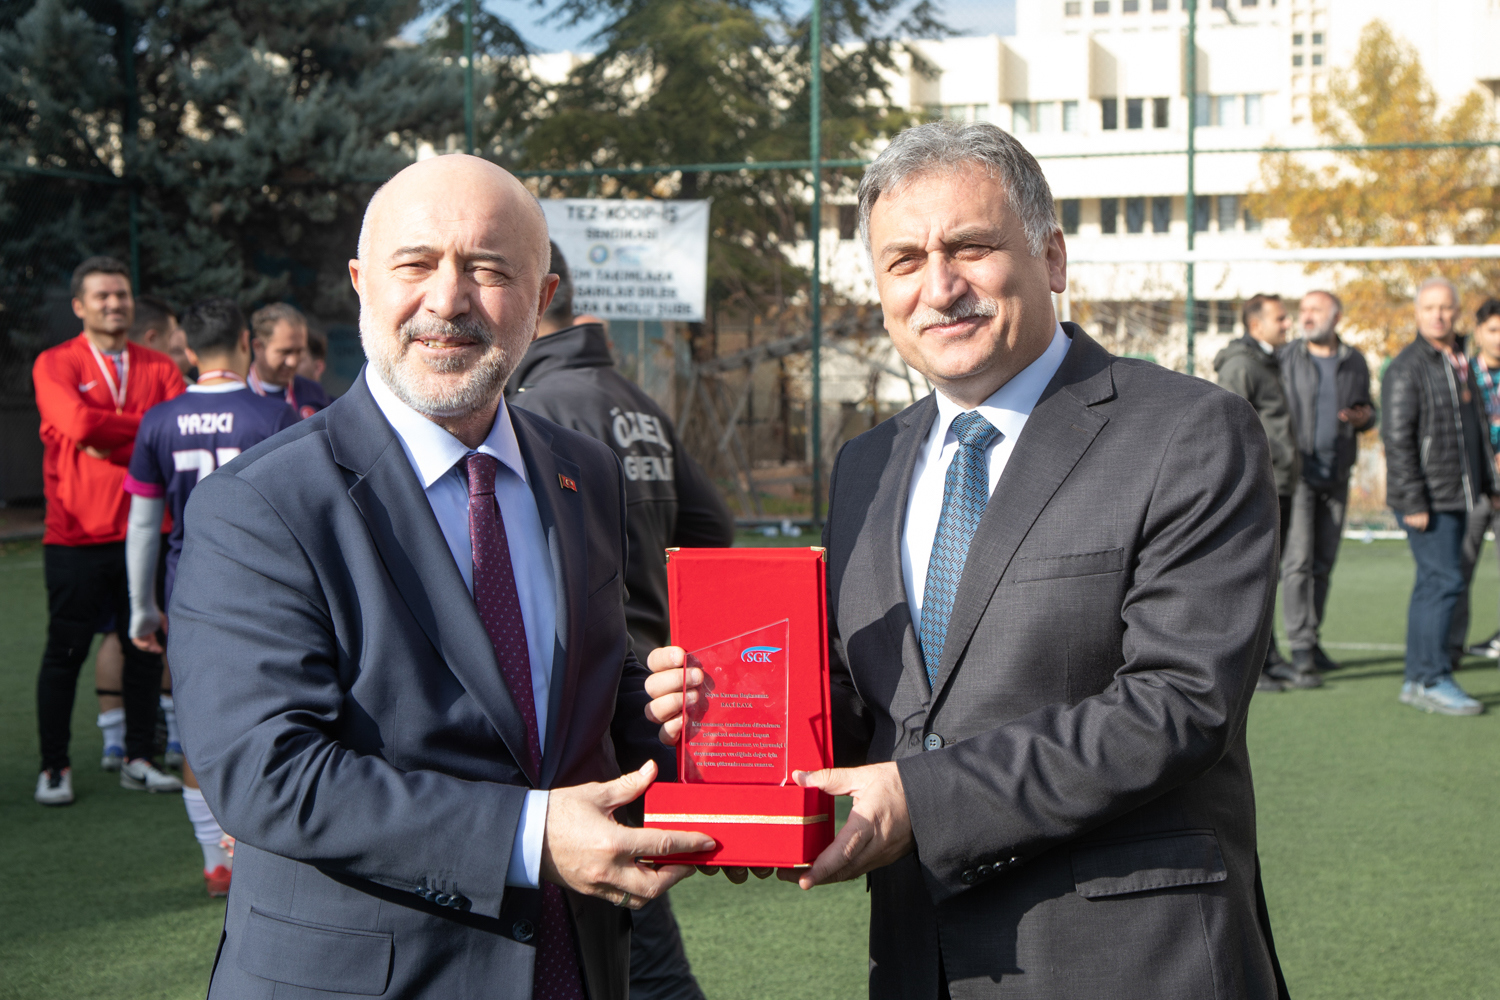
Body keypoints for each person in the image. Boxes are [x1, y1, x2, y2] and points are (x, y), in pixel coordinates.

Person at [648, 120, 1288, 1000]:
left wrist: (923, 798)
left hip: (1131, 958)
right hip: (923, 961)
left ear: (1052, 258)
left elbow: (1179, 705)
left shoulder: (1188, 431)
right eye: (905, 261)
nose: (940, 287)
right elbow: (873, 700)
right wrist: (726, 712)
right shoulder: (868, 462)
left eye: (972, 248)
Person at [168, 154, 713, 999]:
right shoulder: (260, 503)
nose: (449, 298)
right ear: (362, 284)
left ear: (541, 297)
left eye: (488, 269)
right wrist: (531, 835)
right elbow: (265, 771)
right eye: (416, 264)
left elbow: (588, 696)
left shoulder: (585, 473)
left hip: (574, 967)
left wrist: (687, 727)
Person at [506, 243, 734, 1000]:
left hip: (588, 699)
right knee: (634, 943)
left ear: (538, 298)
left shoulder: (532, 409)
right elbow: (711, 529)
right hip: (647, 688)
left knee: (635, 952)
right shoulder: (631, 397)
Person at [123, 297, 297, 896]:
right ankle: (261, 847)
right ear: (247, 343)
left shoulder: (159, 420)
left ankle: (214, 860)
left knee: (202, 722)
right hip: (270, 591)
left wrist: (141, 608)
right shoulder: (274, 415)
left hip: (190, 590)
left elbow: (144, 525)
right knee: (276, 713)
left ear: (189, 351)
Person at [32, 256, 185, 805]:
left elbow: (170, 433)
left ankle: (138, 758)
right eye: (102, 296)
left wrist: (105, 437)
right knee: (65, 652)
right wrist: (141, 433)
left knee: (143, 646)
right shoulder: (55, 362)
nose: (114, 304)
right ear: (80, 306)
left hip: (145, 531)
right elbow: (78, 424)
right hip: (75, 536)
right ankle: (54, 766)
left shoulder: (158, 365)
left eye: (121, 294)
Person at [1382, 277, 1498, 715]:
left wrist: (1488, 485)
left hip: (1456, 492)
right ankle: (1431, 678)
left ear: (1457, 312)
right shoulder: (1408, 367)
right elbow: (1397, 439)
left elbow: (1475, 430)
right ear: (1417, 313)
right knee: (1445, 582)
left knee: (1434, 584)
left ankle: (1418, 679)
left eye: (1446, 307)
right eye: (1429, 307)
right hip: (1429, 498)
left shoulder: (1459, 360)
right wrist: (1413, 501)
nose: (1438, 315)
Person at [1214, 293, 1321, 690]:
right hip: (1259, 485)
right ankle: (1249, 669)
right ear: (1256, 325)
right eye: (1280, 319)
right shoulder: (1242, 365)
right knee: (1251, 579)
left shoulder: (1271, 361)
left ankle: (1269, 658)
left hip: (1282, 482)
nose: (1288, 324)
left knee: (1269, 576)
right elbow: (1228, 427)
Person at [1279, 291, 1376, 673]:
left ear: (1336, 317)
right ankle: (1300, 647)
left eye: (1315, 310)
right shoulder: (1287, 358)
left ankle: (1313, 639)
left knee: (1323, 562)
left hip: (1337, 473)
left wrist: (1364, 417)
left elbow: (1368, 410)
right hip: (1298, 474)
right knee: (1298, 562)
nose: (1306, 316)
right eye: (1303, 310)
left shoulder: (1355, 360)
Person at [1455, 298, 1500, 659]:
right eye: (1493, 330)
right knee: (1459, 569)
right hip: (1471, 489)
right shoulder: (1462, 375)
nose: (1499, 338)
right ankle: (1450, 645)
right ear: (1479, 332)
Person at [246, 302, 331, 419]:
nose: (293, 362)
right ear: (258, 347)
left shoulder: (314, 393)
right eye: (284, 352)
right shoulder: (238, 395)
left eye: (299, 351)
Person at [131, 294, 194, 379]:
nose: (171, 345)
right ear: (151, 339)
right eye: (170, 336)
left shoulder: (116, 377)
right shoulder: (167, 383)